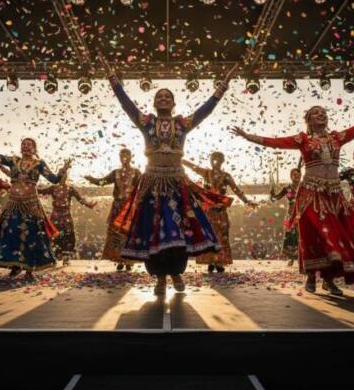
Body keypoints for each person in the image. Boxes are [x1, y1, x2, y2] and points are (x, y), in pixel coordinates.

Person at [99, 53, 239, 295]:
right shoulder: (146, 122)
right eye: (159, 96)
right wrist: (112, 78)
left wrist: (223, 85)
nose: (163, 98)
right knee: (152, 230)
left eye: (168, 96)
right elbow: (126, 104)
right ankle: (160, 278)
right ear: (154, 103)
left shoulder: (183, 124)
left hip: (176, 183)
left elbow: (206, 109)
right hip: (151, 183)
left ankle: (175, 273)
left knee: (178, 229)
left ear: (173, 104)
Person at [231, 86, 354, 295]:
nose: (321, 114)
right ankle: (310, 275)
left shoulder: (337, 138)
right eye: (316, 112)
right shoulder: (302, 140)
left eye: (323, 112)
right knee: (315, 236)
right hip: (310, 194)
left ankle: (329, 280)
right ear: (308, 120)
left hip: (334, 195)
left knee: (336, 236)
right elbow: (276, 142)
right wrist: (249, 136)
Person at [0, 128, 71, 281]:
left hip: (31, 205)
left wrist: (63, 169)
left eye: (29, 144)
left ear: (34, 149)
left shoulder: (39, 164)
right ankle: (15, 266)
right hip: (13, 203)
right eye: (24, 144)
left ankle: (30, 268)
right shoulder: (13, 161)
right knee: (11, 233)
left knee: (33, 236)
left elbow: (54, 180)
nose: (26, 146)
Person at [183, 152, 257, 273]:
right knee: (209, 235)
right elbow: (192, 166)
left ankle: (219, 262)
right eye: (213, 159)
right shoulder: (206, 173)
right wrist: (178, 159)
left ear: (222, 161)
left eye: (218, 159)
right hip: (208, 212)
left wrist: (247, 201)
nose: (215, 161)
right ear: (210, 161)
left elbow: (236, 189)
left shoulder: (226, 176)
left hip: (221, 211)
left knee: (222, 236)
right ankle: (211, 261)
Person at [84, 148, 141, 271]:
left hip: (130, 208)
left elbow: (143, 186)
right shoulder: (115, 173)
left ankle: (129, 260)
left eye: (127, 155)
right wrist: (92, 179)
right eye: (122, 155)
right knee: (116, 233)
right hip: (117, 207)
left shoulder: (136, 173)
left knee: (129, 233)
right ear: (120, 158)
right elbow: (102, 182)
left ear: (131, 157)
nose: (124, 157)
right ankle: (119, 259)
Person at [38, 170, 97, 266]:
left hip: (66, 216)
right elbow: (41, 192)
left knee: (68, 235)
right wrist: (29, 186)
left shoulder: (70, 189)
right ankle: (52, 257)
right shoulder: (53, 188)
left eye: (65, 175)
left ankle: (66, 258)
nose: (63, 177)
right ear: (58, 176)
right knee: (54, 235)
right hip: (56, 215)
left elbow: (80, 199)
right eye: (61, 175)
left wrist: (88, 204)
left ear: (66, 177)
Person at [270, 168, 301, 266]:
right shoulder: (287, 188)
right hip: (290, 213)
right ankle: (292, 258)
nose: (297, 177)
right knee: (290, 235)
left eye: (298, 175)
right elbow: (276, 198)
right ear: (291, 176)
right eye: (294, 175)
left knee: (301, 234)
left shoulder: (303, 187)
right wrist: (272, 194)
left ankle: (302, 257)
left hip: (301, 213)